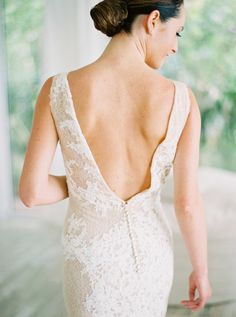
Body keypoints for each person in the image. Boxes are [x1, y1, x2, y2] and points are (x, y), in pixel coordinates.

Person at [19, 0, 212, 316]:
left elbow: (32, 192)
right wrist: (201, 271)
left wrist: (86, 182)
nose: (175, 47)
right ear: (152, 21)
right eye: (178, 32)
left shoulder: (57, 89)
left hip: (89, 260)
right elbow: (187, 205)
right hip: (149, 255)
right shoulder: (181, 99)